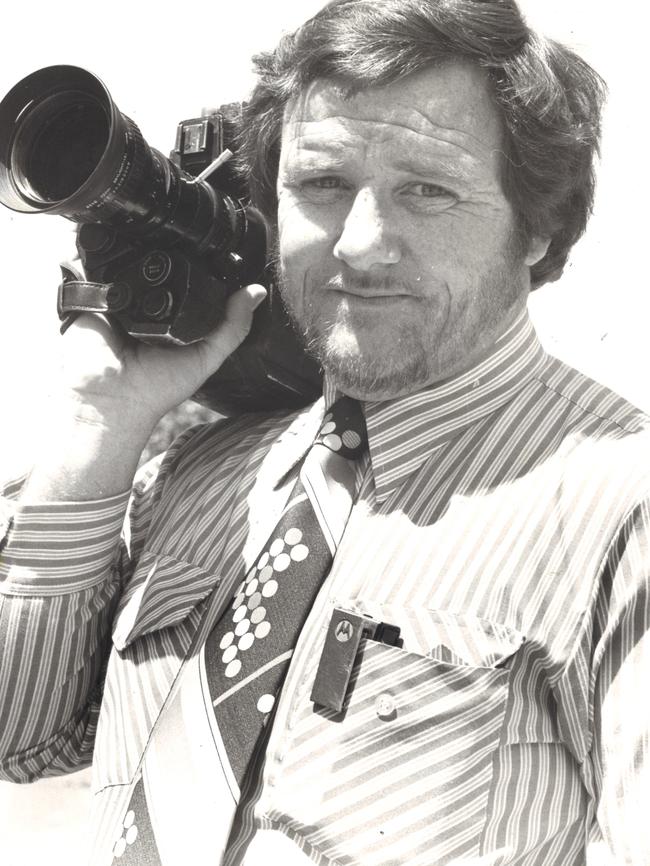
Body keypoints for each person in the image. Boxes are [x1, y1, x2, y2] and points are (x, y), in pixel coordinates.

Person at [1, 0, 649, 864]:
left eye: (427, 190)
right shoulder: (194, 474)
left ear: (537, 224)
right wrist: (98, 425)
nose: (362, 244)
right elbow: (21, 734)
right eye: (321, 185)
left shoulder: (622, 506)